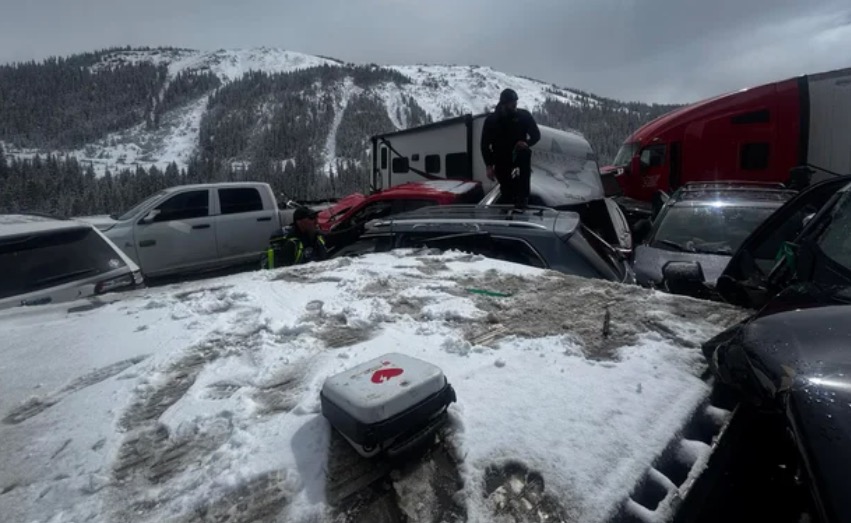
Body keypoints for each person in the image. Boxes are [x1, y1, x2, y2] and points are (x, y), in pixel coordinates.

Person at [480, 88, 541, 209]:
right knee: (507, 191)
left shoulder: (523, 116)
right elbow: (484, 144)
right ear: (503, 104)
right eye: (511, 104)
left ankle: (523, 198)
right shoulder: (492, 121)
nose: (514, 107)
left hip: (518, 156)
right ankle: (507, 206)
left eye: (515, 104)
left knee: (525, 153)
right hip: (500, 158)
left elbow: (536, 135)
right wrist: (489, 166)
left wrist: (526, 143)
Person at [262, 206, 362, 268]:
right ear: (299, 222)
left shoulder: (315, 236)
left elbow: (337, 237)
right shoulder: (291, 244)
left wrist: (360, 229)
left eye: (315, 217)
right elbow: (284, 275)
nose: (315, 220)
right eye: (311, 218)